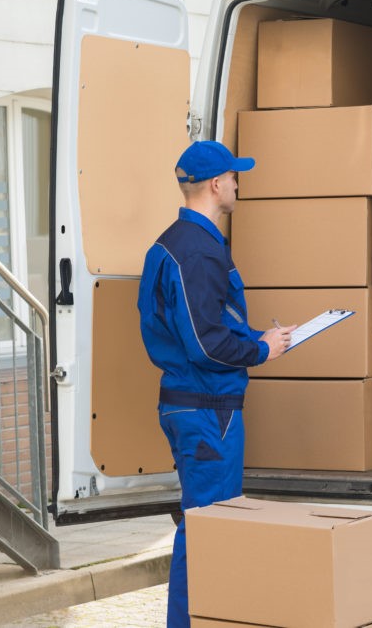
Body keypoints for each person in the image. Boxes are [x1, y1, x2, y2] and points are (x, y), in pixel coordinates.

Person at [137, 140, 296, 628]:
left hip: (200, 404)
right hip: (208, 409)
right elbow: (206, 344)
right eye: (233, 175)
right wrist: (259, 352)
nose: (236, 182)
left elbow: (206, 324)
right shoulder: (196, 252)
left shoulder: (178, 245)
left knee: (206, 526)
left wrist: (258, 336)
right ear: (214, 184)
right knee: (207, 530)